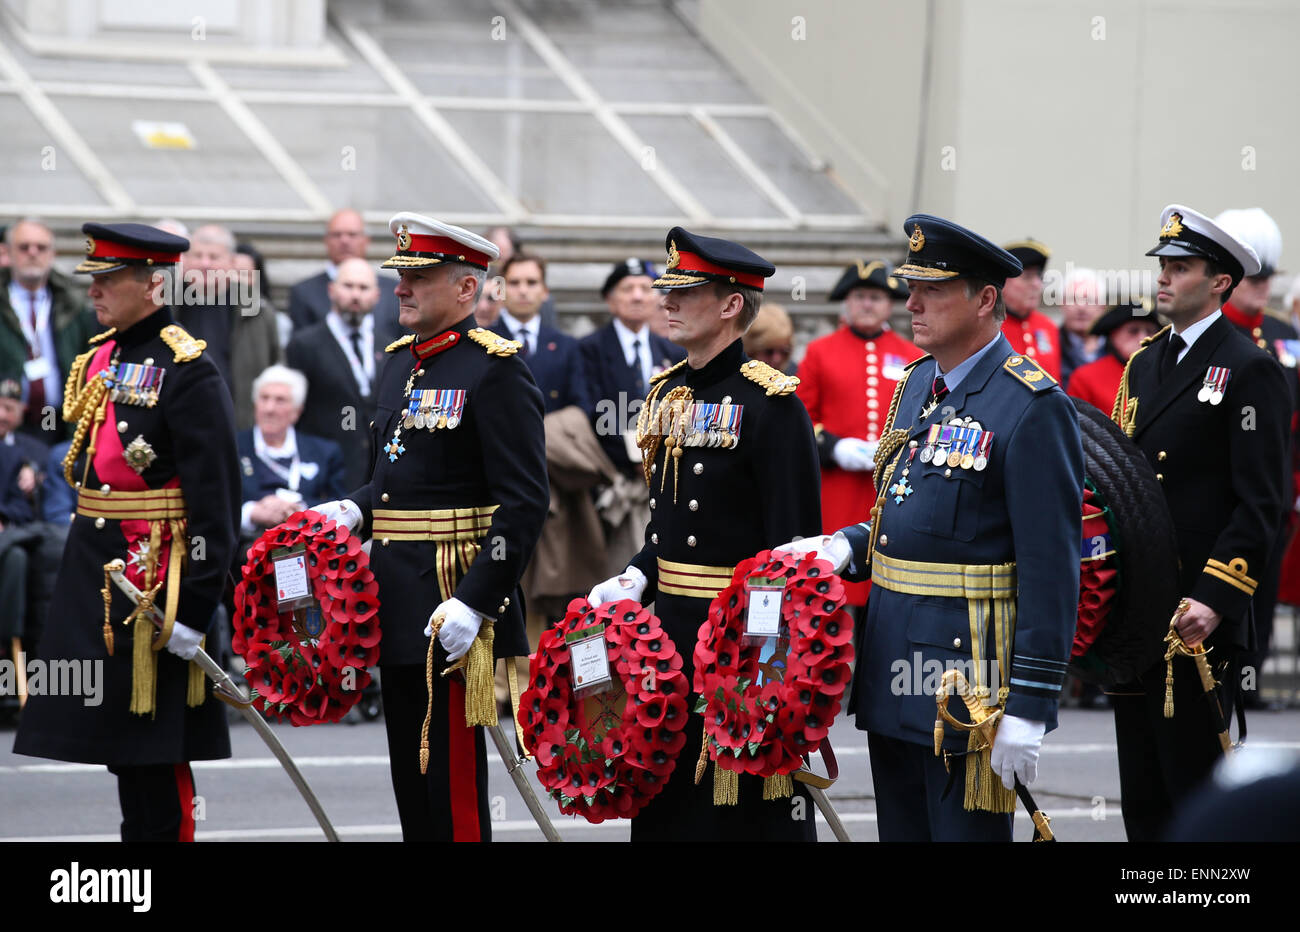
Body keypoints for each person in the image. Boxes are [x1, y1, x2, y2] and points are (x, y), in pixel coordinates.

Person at [780, 214, 1083, 841]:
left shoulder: (1030, 406)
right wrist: (850, 544)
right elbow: (909, 511)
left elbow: (1052, 569)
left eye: (932, 290)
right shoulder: (918, 382)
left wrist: (1030, 705)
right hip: (893, 667)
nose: (910, 304)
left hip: (966, 688)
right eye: (910, 287)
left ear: (986, 299)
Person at [314, 213, 548, 842]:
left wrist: (476, 601)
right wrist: (356, 509)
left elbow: (524, 503)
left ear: (467, 290)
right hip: (394, 597)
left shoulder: (495, 370)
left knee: (450, 791)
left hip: (452, 599)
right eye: (401, 275)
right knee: (410, 784)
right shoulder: (398, 364)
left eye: (419, 277)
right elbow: (397, 476)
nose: (401, 288)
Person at [587, 227, 822, 842]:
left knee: (742, 813)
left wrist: (763, 668)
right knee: (666, 806)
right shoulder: (667, 392)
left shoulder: (773, 405)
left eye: (684, 292)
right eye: (668, 290)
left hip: (740, 642)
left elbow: (791, 554)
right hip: (669, 635)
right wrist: (638, 573)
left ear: (730, 305)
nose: (666, 301)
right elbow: (666, 521)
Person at [13, 222, 240, 842]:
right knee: (120, 746)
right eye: (95, 277)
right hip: (98, 573)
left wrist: (194, 608)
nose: (96, 290)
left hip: (156, 585)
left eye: (111, 278)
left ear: (152, 283)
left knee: (158, 749)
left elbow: (215, 502)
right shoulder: (98, 357)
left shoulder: (187, 367)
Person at [1109, 204, 1291, 841]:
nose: (1162, 279)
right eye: (1161, 266)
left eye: (1180, 268)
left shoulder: (1250, 368)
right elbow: (1121, 480)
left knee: (1194, 795)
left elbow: (1261, 503)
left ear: (1219, 282)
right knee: (1143, 797)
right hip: (1138, 612)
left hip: (1196, 615)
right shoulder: (1144, 363)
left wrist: (1215, 598)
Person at [795, 260, 920, 610]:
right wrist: (834, 447)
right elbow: (801, 419)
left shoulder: (913, 356)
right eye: (860, 296)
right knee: (830, 588)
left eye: (876, 297)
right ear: (847, 302)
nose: (867, 304)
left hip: (889, 490)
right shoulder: (820, 352)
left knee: (885, 591)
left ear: (889, 304)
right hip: (836, 490)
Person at [1213, 207, 1298, 710]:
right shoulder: (1220, 337)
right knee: (1230, 585)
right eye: (1255, 275)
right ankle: (1224, 677)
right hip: (1230, 488)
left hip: (1279, 486)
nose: (1264, 285)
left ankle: (1251, 679)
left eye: (1270, 276)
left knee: (1264, 593)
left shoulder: (1286, 334)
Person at [579, 257, 685, 479]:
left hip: (663, 469)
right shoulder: (589, 349)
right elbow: (591, 409)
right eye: (627, 289)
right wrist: (637, 455)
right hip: (610, 473)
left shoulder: (673, 352)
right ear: (610, 299)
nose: (637, 297)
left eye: (645, 289)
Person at [285, 257, 383, 491]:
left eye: (363, 287)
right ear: (331, 290)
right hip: (328, 476)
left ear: (377, 295)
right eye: (348, 286)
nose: (355, 295)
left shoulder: (389, 347)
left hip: (377, 476)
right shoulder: (304, 345)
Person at [1, 218, 98, 437]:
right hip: (9, 418)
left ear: (52, 254)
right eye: (24, 247)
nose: (33, 253)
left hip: (55, 416)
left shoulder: (72, 302)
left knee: (54, 461)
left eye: (41, 247)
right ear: (8, 253)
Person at [237, 365, 345, 540]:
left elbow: (341, 506)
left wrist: (299, 509)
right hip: (245, 551)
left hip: (311, 549)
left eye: (280, 400)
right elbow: (216, 506)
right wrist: (251, 512)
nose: (269, 408)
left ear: (297, 411)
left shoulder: (324, 452)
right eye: (264, 398)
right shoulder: (233, 448)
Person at [287, 208, 404, 348]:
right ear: (326, 240)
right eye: (337, 235)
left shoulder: (394, 291)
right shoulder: (304, 292)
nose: (344, 240)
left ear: (366, 240)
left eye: (352, 234)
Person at [490, 252, 591, 415]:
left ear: (545, 291)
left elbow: (581, 404)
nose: (523, 290)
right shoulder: (483, 342)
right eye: (514, 283)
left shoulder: (567, 346)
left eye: (531, 282)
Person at [1066, 301, 1161, 413]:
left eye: (1150, 331)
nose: (1143, 338)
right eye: (1133, 331)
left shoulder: (1165, 372)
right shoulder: (1085, 377)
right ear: (1113, 335)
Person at [1000, 237, 1062, 380]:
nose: (1036, 284)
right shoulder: (988, 328)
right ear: (1002, 282)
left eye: (1039, 276)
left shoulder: (1048, 326)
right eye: (1027, 277)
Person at [1058, 267, 1108, 387]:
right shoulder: (1049, 346)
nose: (1081, 307)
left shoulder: (1119, 347)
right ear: (1061, 304)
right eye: (1073, 299)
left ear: (1102, 306)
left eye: (1089, 299)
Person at [741, 302, 797, 375]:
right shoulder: (732, 378)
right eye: (769, 351)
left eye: (785, 351)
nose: (777, 359)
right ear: (751, 351)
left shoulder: (795, 376)